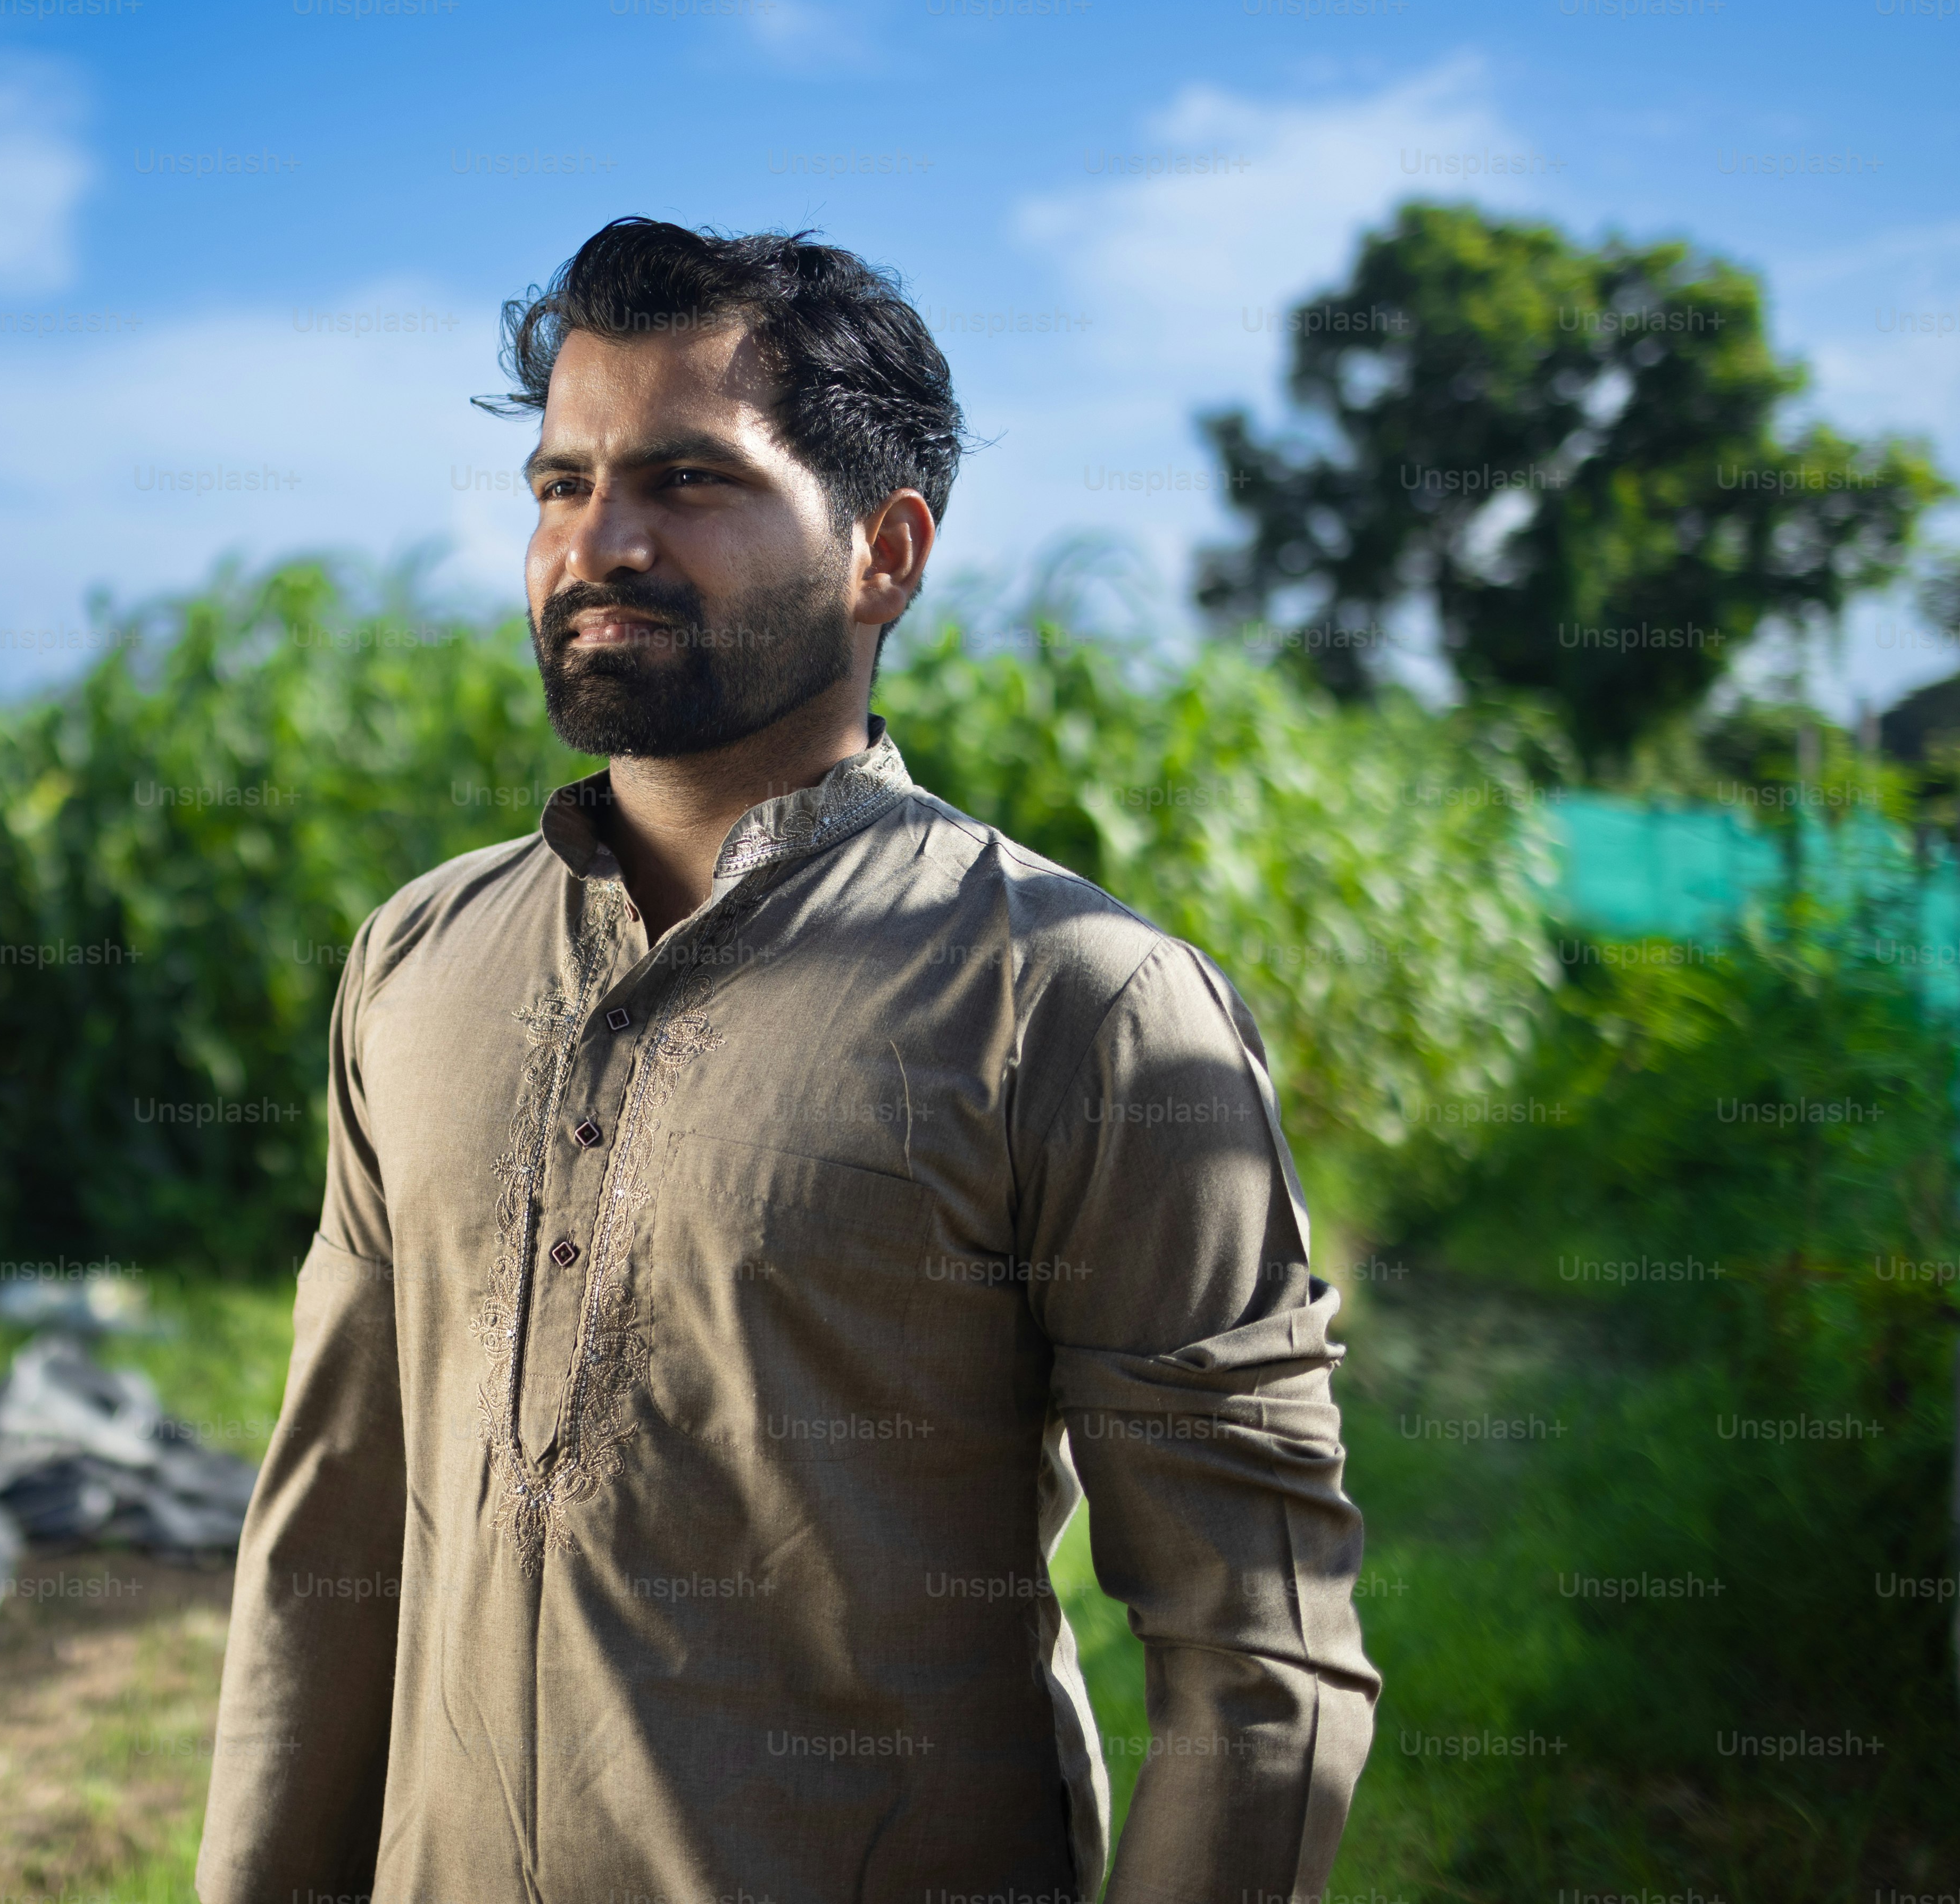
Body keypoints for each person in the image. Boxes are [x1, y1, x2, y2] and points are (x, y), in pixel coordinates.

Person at [195, 217, 1377, 1904]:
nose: (598, 541)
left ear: (883, 552)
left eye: (687, 480)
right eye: (558, 485)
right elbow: (328, 1543)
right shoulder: (418, 961)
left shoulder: (1079, 1008)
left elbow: (1260, 1662)